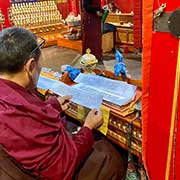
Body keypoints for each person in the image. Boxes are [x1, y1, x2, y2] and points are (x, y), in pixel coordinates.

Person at [0, 27, 126, 180]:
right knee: (110, 156)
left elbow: (29, 109)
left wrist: (54, 105)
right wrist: (88, 128)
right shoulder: (17, 112)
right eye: (39, 64)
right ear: (31, 66)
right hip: (50, 172)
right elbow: (62, 165)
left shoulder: (7, 91)